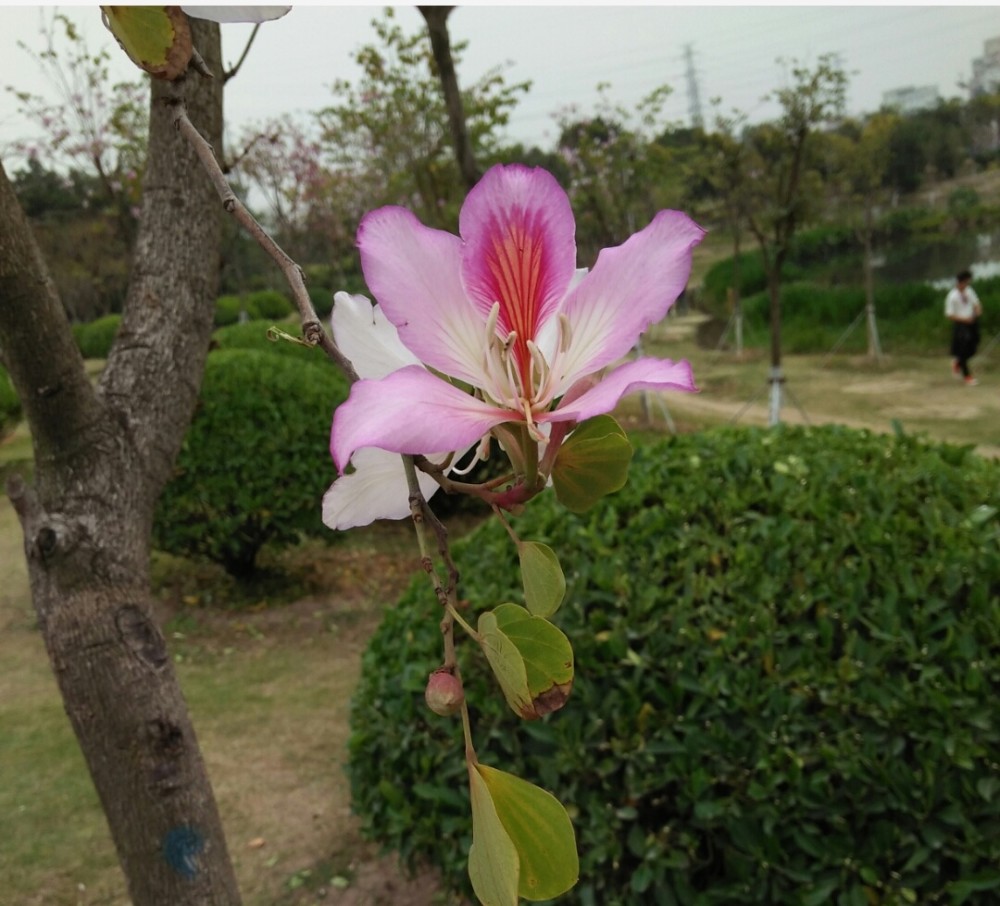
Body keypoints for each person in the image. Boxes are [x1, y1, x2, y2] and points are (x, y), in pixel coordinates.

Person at [945, 269, 982, 386]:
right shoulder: (952, 296)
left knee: (974, 345)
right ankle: (967, 376)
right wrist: (964, 320)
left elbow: (976, 303)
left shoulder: (969, 291)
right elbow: (949, 315)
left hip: (972, 322)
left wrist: (977, 310)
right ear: (961, 282)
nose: (967, 284)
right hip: (961, 324)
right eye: (966, 282)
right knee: (963, 350)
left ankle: (958, 363)